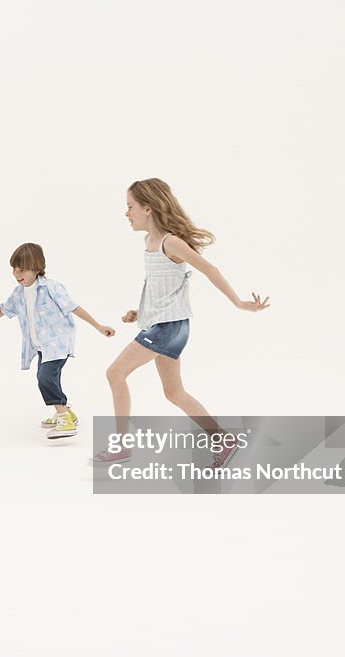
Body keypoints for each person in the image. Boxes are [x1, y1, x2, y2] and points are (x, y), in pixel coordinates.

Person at [91, 178, 269, 467]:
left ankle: (121, 447)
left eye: (130, 207)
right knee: (174, 392)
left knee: (115, 373)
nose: (126, 213)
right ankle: (223, 440)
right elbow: (163, 286)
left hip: (168, 327)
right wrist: (140, 312)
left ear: (147, 208)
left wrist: (239, 303)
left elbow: (209, 269)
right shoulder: (149, 242)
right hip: (167, 324)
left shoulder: (170, 242)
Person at [0, 243, 115, 439]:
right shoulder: (18, 293)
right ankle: (65, 412)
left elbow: (74, 307)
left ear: (37, 268)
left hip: (58, 344)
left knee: (45, 378)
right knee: (48, 378)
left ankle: (64, 419)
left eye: (22, 269)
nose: (17, 273)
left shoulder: (51, 287)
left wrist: (98, 326)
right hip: (40, 347)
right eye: (14, 268)